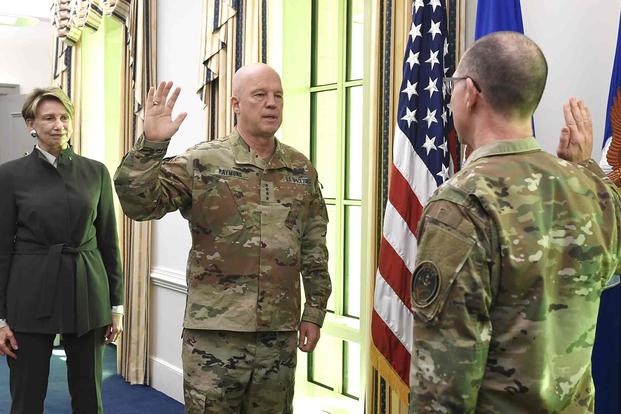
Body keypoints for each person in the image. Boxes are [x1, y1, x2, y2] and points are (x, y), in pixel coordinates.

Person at [409, 32, 621, 413]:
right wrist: (586, 170)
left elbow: (443, 382)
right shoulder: (595, 191)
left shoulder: (462, 204)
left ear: (470, 93)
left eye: (453, 84)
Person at [113, 63, 331, 413]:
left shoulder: (300, 169)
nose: (271, 103)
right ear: (235, 104)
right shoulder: (202, 161)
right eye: (259, 95)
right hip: (214, 339)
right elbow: (139, 204)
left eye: (278, 96)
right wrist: (152, 144)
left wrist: (315, 310)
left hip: (278, 336)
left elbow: (313, 245)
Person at [0, 87, 124, 413]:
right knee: (27, 394)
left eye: (64, 117)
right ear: (31, 124)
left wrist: (117, 305)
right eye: (49, 118)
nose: (59, 125)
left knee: (88, 394)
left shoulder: (96, 172)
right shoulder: (9, 175)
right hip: (28, 292)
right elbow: (0, 250)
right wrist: (0, 318)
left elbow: (109, 242)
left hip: (87, 287)